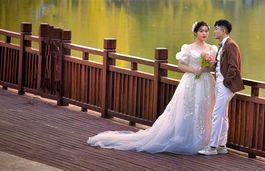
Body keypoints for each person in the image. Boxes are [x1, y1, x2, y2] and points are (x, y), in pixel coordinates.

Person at [87, 21, 218, 154]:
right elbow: (180, 65)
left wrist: (208, 65)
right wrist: (194, 70)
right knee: (188, 107)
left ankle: (205, 141)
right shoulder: (188, 48)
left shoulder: (212, 49)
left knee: (204, 108)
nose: (204, 33)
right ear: (195, 33)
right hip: (191, 81)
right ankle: (187, 139)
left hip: (206, 81)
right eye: (201, 31)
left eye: (206, 31)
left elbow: (213, 67)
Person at [198, 19, 244, 155]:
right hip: (220, 83)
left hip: (225, 85)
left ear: (223, 31)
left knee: (217, 114)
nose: (214, 31)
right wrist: (213, 63)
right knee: (223, 115)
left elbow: (233, 66)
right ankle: (221, 145)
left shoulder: (231, 45)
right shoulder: (223, 45)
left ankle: (212, 147)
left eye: (216, 28)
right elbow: (222, 65)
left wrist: (226, 82)